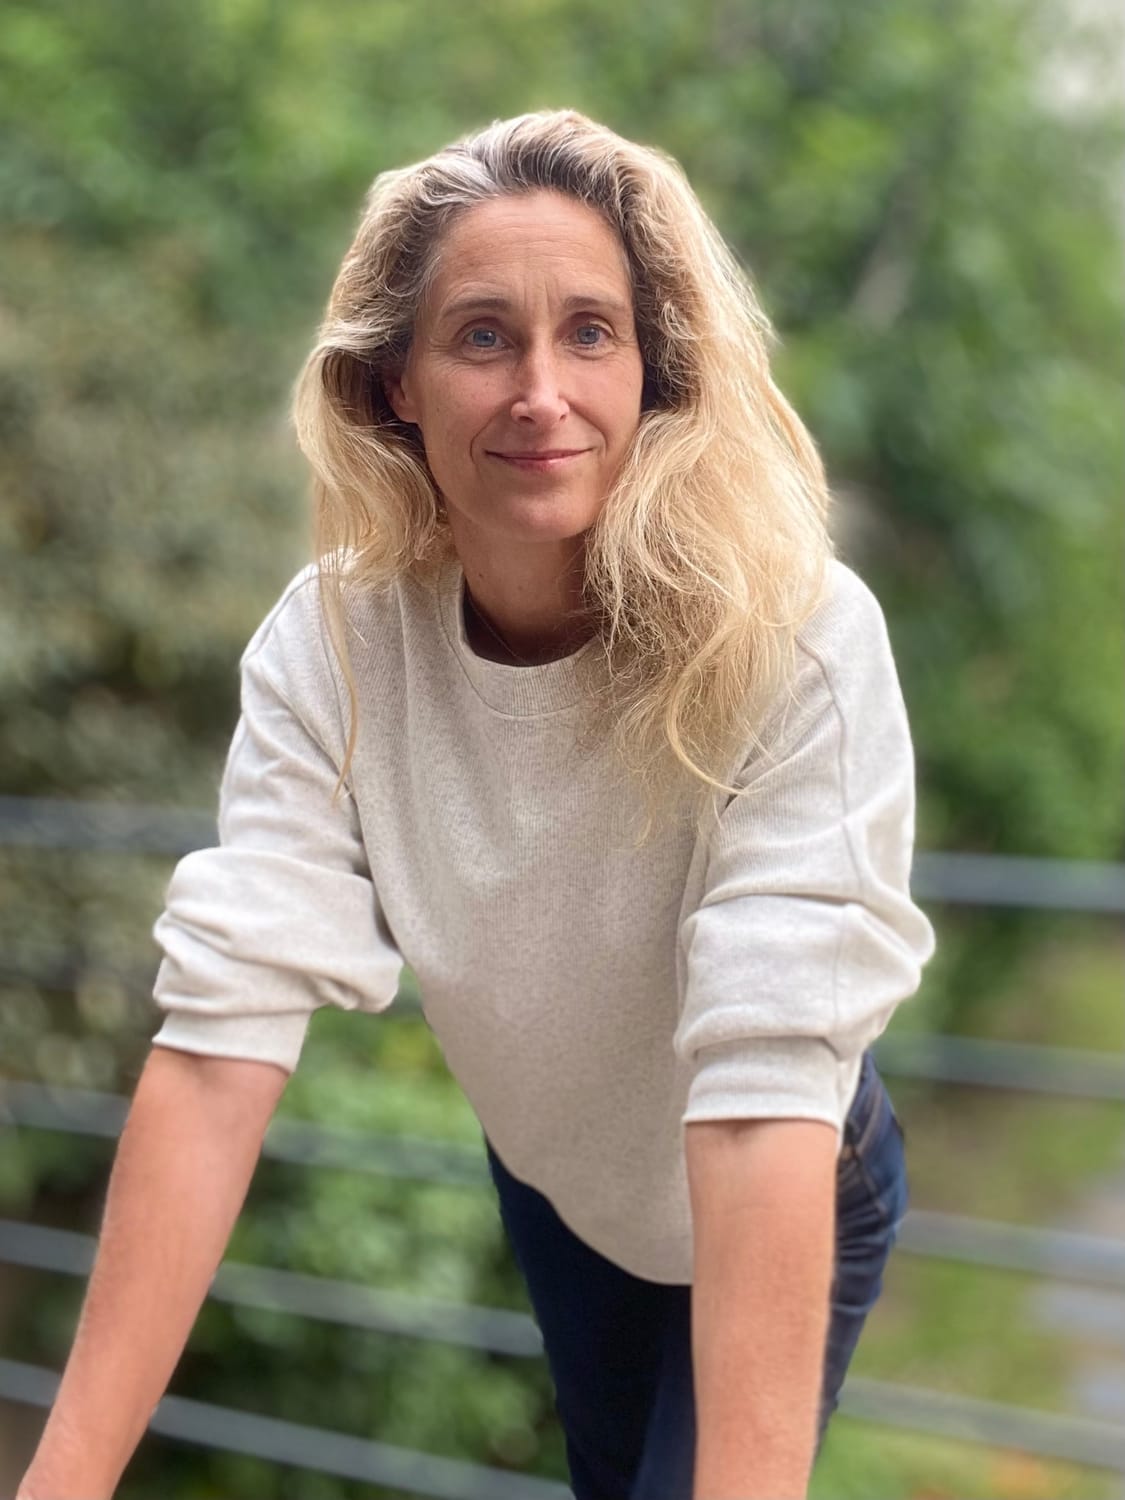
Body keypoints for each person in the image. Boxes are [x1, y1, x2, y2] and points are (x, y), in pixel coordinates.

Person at [18, 109, 936, 1500]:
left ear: (652, 370)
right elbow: (215, 1057)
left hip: (791, 1158)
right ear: (396, 380)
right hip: (563, 1188)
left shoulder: (794, 637)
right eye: (483, 336)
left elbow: (761, 1103)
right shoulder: (333, 647)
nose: (540, 392)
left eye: (590, 333)